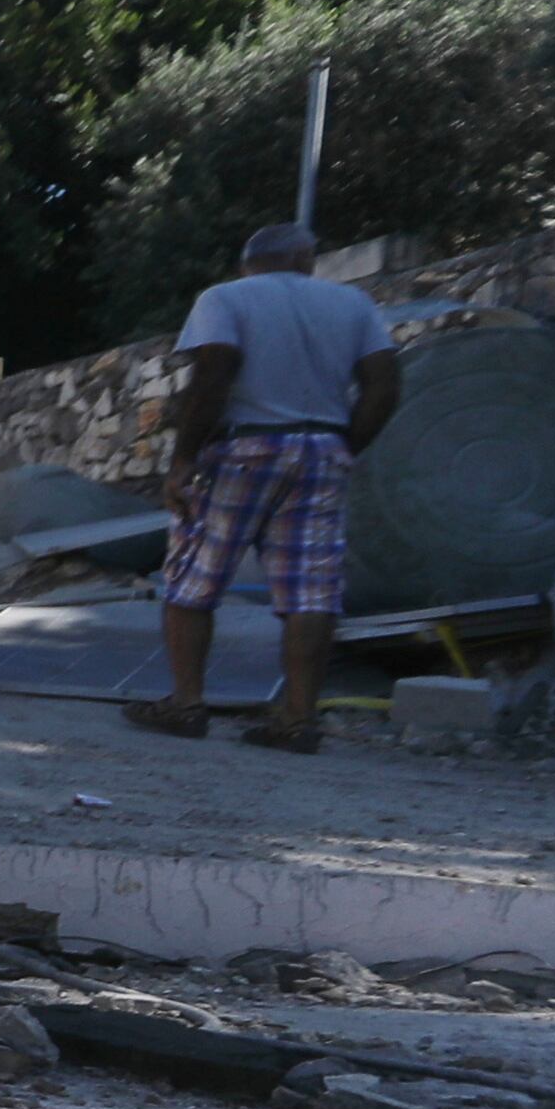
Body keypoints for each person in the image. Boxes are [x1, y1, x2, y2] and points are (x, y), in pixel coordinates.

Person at [136, 219, 400, 752]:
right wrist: (347, 444)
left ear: (246, 265)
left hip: (243, 449)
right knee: (311, 590)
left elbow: (213, 376)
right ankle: (298, 720)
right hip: (322, 450)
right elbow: (386, 383)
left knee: (194, 579)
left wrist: (184, 459)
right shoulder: (353, 305)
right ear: (306, 260)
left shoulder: (224, 297)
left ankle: (186, 704)